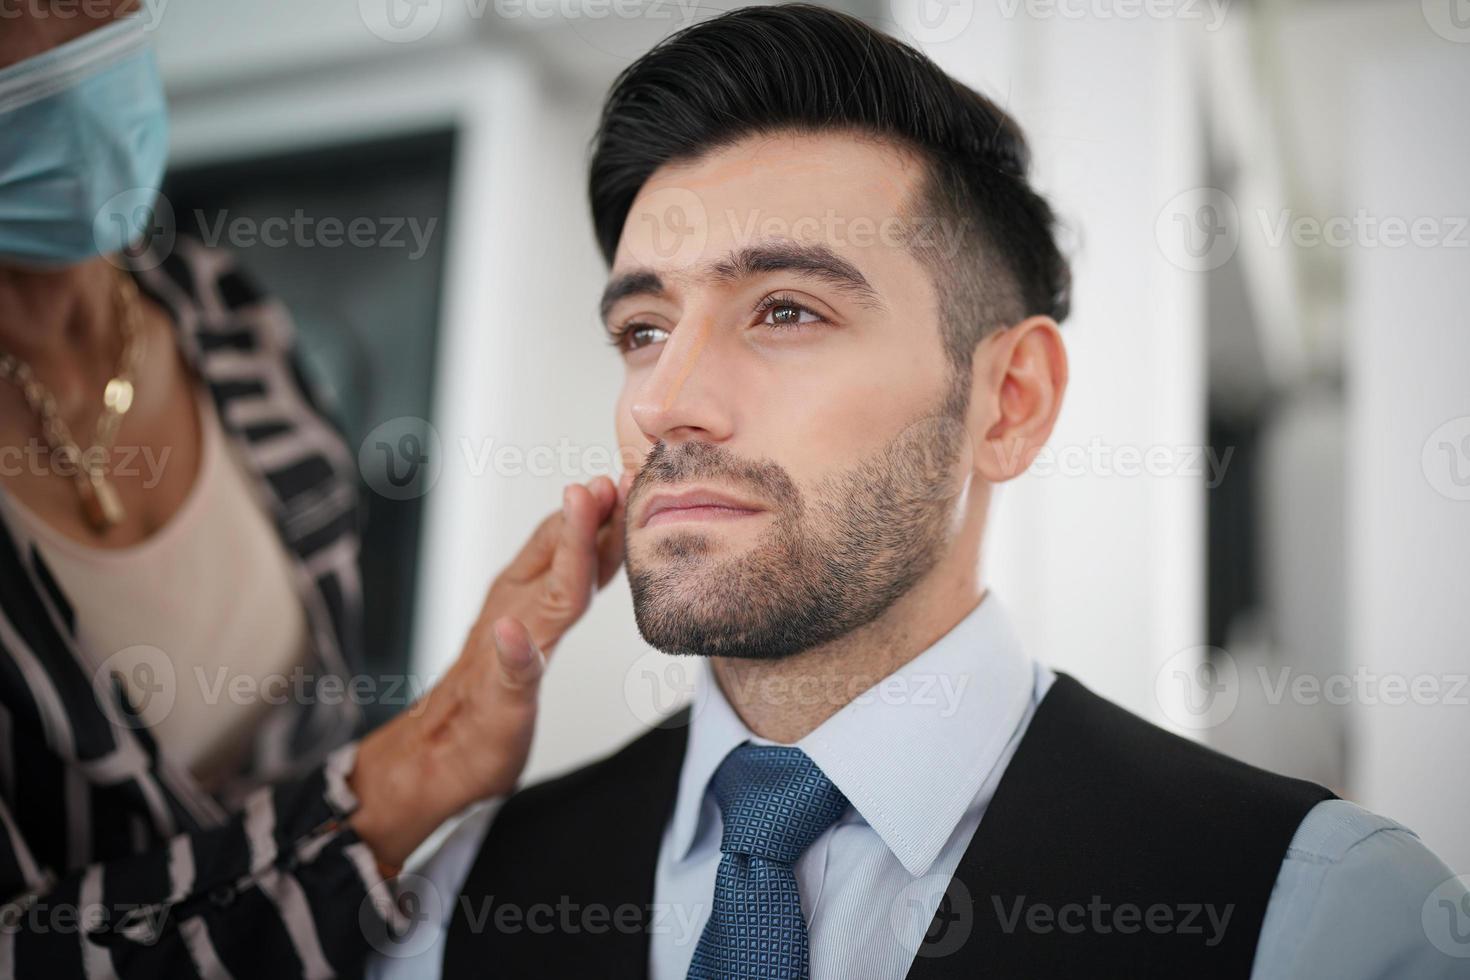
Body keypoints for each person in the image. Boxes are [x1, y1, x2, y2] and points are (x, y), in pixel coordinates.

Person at [366, 5, 1468, 979]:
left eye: (787, 309)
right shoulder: (459, 898)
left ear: (1008, 401)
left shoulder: (1322, 918)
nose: (665, 400)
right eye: (643, 329)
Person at [0, 4, 624, 976]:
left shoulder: (227, 314)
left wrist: (440, 724)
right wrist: (396, 783)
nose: (69, 49)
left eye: (95, 14)